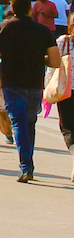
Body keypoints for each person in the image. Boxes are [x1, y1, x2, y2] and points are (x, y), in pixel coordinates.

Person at [0, 0, 61, 182]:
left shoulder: (1, 29)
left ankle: (26, 166)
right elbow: (56, 61)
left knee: (18, 123)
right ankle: (28, 163)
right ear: (31, 8)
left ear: (12, 8)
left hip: (11, 84)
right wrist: (40, 59)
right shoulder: (43, 31)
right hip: (34, 84)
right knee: (29, 123)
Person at [51, 17, 74, 182]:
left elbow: (52, 66)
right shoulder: (62, 41)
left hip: (65, 90)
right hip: (66, 91)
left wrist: (47, 87)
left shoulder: (63, 41)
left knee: (67, 127)